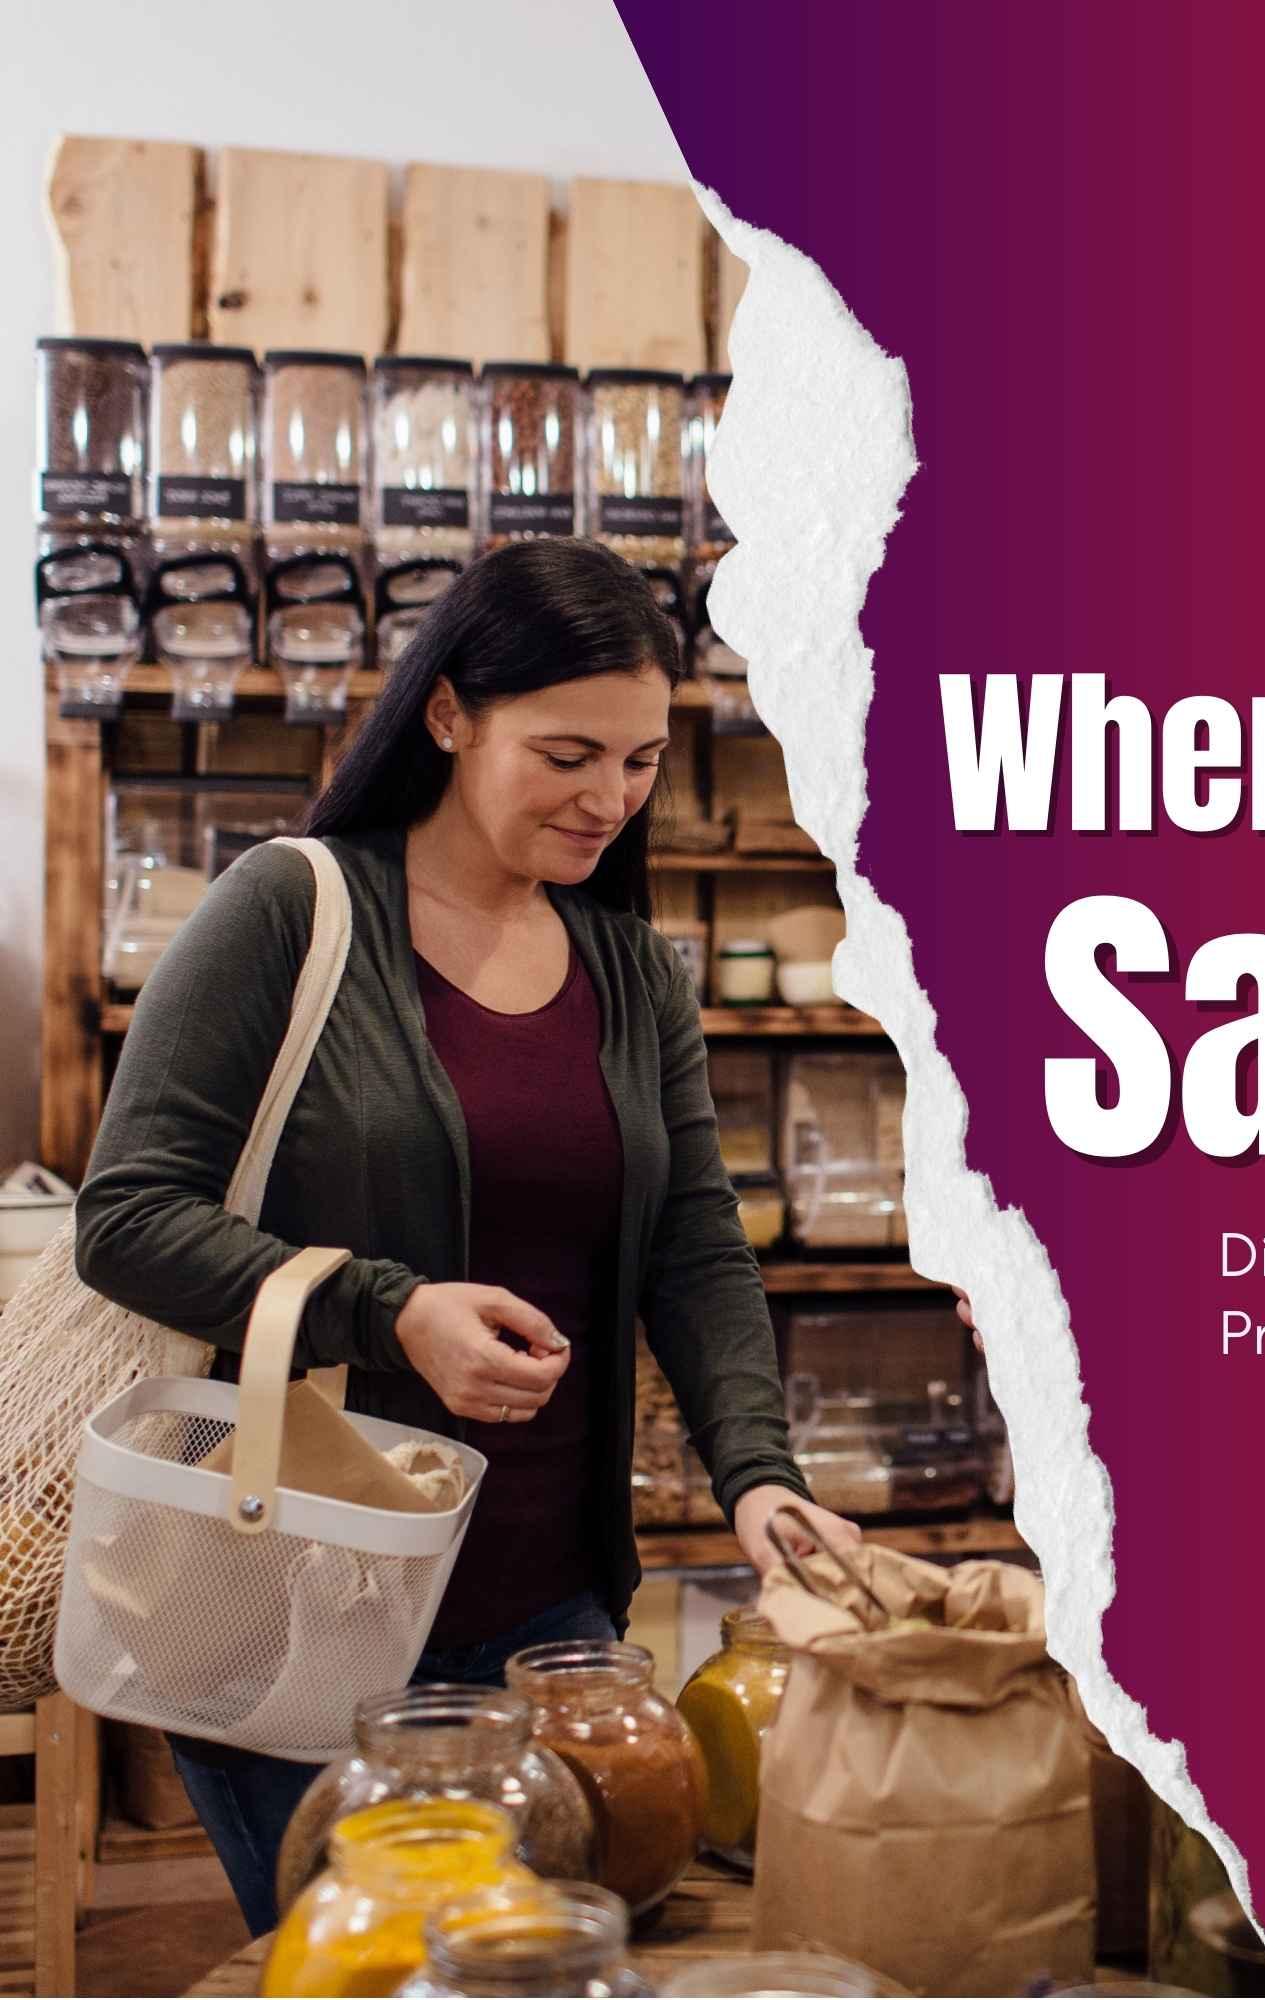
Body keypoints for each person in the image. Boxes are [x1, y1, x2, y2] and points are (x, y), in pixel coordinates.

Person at [73, 538, 858, 1934]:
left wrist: (757, 1473)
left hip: (552, 1606)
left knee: (528, 1962)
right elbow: (126, 1217)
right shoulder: (292, 911)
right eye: (567, 755)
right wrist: (390, 1310)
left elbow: (694, 1242)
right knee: (362, 1961)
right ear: (449, 715)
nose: (609, 799)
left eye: (638, 762)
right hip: (292, 1586)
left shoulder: (629, 969)